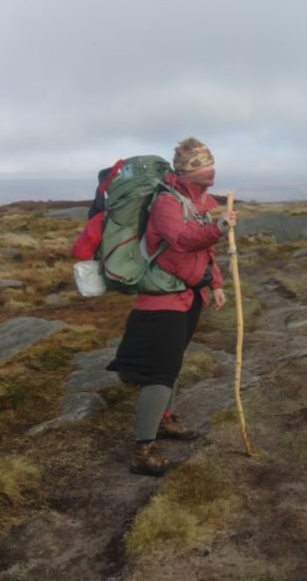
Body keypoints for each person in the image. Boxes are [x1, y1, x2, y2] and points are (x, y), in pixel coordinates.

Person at [107, 137, 237, 476]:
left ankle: (164, 420)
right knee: (161, 372)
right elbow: (182, 241)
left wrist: (215, 284)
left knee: (174, 362)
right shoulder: (167, 202)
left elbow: (203, 252)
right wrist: (219, 227)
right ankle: (142, 450)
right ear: (183, 170)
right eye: (200, 165)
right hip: (162, 299)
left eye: (210, 163)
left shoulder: (197, 202)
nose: (209, 170)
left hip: (188, 294)